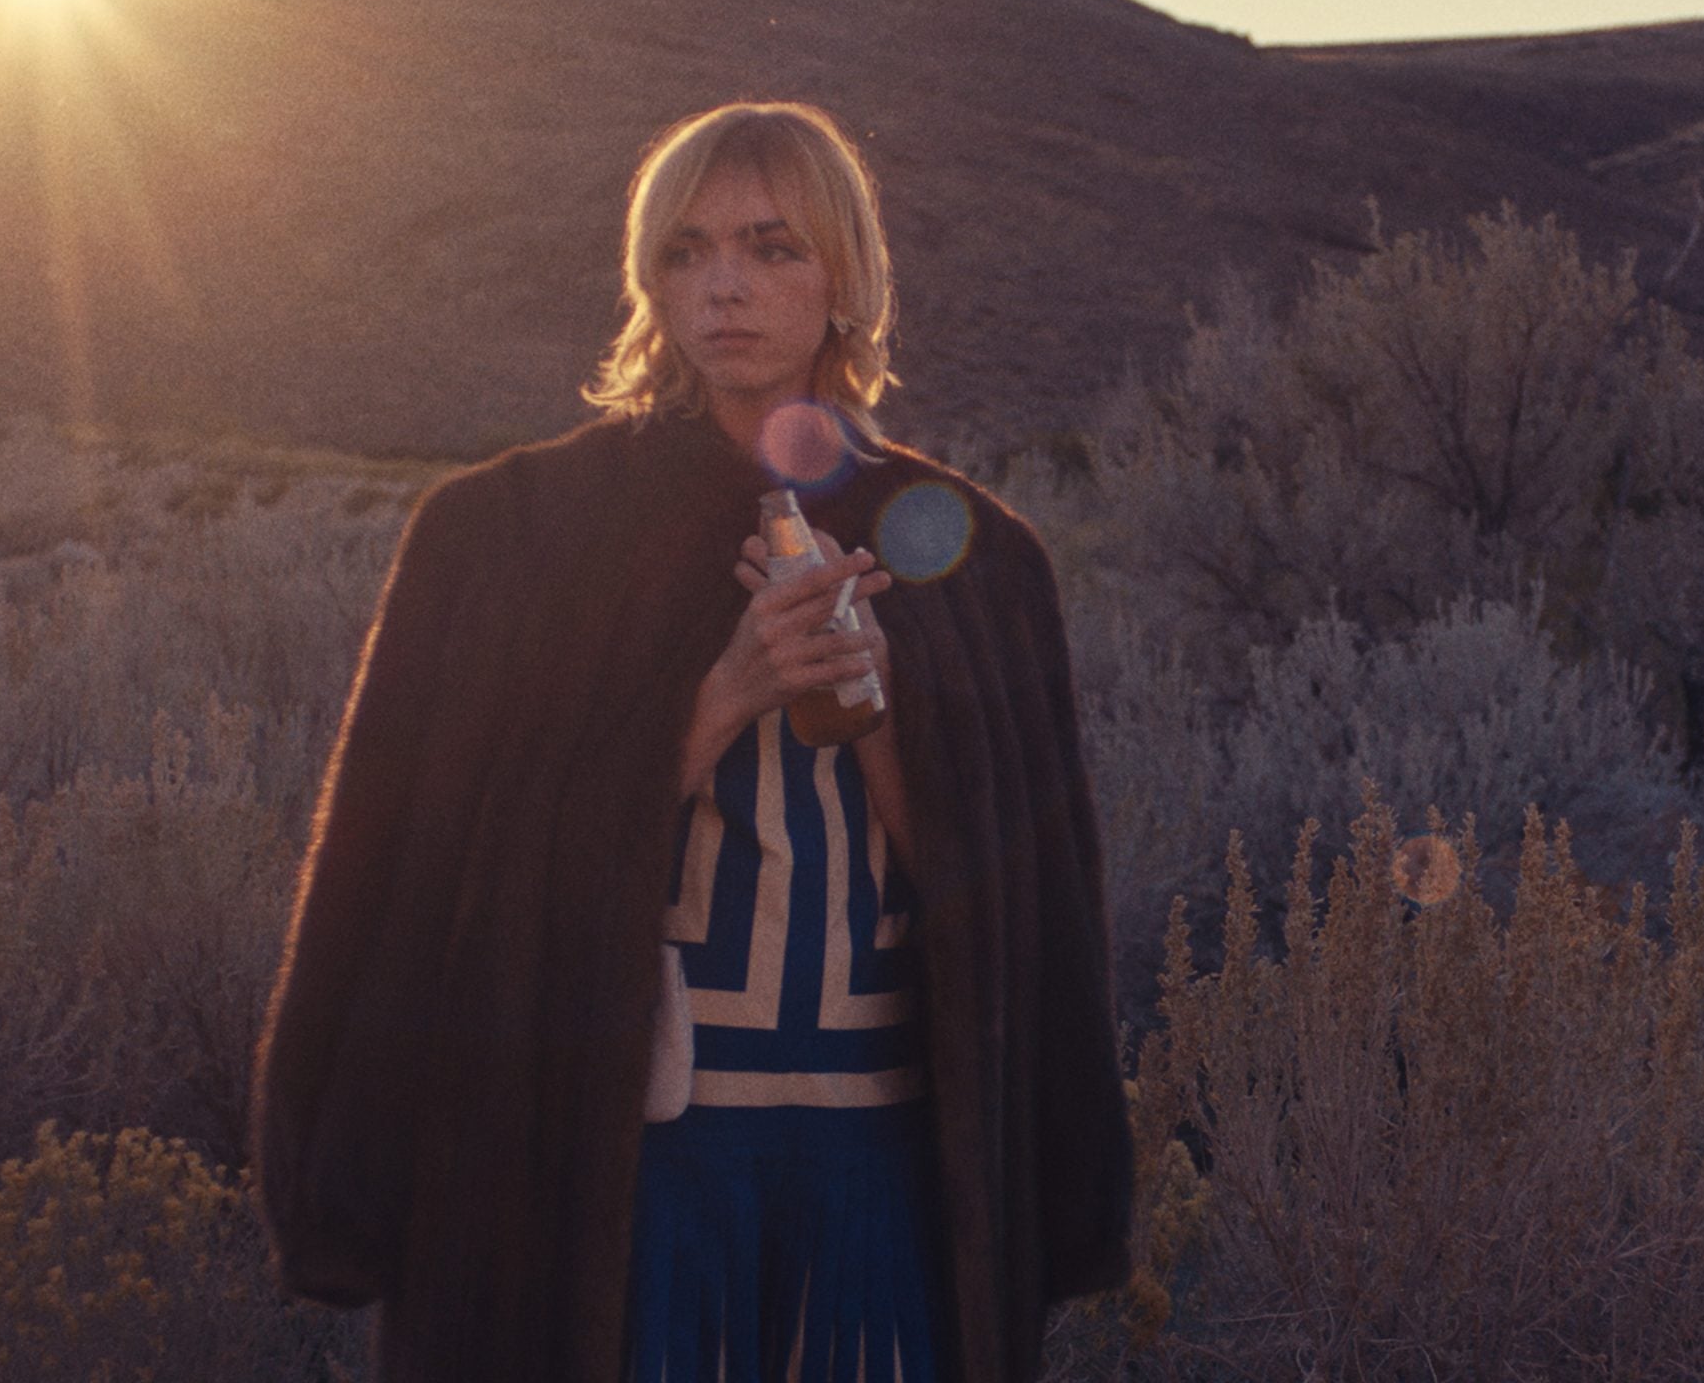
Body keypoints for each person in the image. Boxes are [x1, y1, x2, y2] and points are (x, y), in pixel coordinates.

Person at [252, 101, 1134, 1383]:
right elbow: (412, 874)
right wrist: (721, 695)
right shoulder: (511, 536)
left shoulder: (973, 552)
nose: (725, 285)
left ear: (845, 275)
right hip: (614, 1168)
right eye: (687, 250)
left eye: (773, 247)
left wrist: (877, 703)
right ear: (646, 280)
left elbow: (1027, 904)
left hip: (879, 1165)